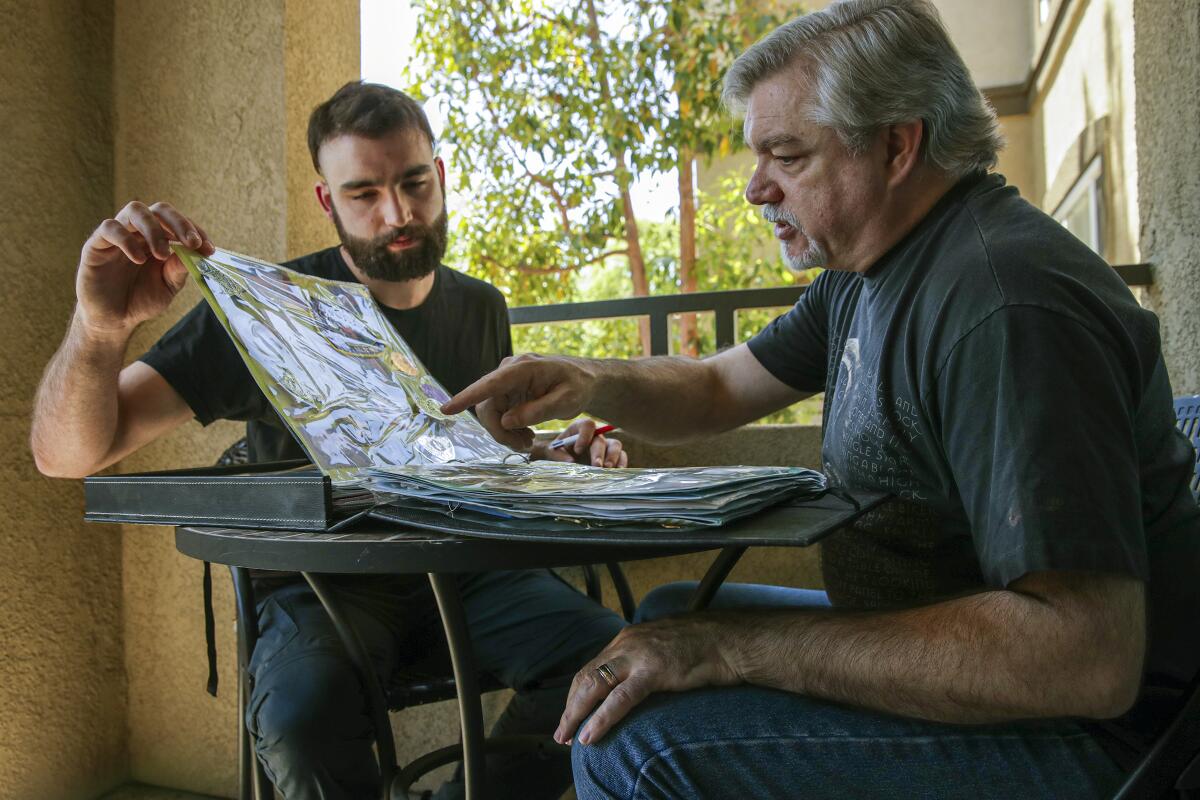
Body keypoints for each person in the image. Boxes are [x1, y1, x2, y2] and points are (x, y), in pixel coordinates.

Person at [441, 2, 1200, 797]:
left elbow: (1083, 659)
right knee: (666, 613)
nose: (756, 189)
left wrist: (735, 648)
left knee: (632, 743)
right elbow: (715, 387)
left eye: (787, 155)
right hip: (975, 679)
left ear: (896, 144)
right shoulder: (868, 268)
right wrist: (586, 380)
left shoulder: (1004, 307)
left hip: (1093, 745)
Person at [31, 81, 628, 800]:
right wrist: (101, 328)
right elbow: (66, 456)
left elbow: (483, 453)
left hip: (466, 568)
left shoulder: (479, 306)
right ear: (326, 202)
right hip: (324, 583)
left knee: (618, 665)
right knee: (299, 720)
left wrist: (555, 453)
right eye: (364, 193)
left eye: (413, 183)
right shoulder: (270, 310)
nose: (398, 214)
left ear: (439, 174)